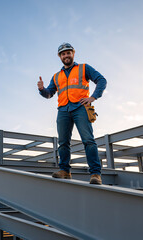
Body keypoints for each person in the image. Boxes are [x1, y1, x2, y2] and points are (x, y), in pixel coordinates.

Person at [38, 42, 107, 184]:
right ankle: (65, 171)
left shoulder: (84, 68)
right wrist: (42, 89)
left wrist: (93, 97)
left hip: (81, 108)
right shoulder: (56, 76)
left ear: (73, 53)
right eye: (63, 54)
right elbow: (49, 94)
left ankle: (95, 174)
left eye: (68, 52)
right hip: (63, 110)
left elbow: (101, 80)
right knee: (63, 143)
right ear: (60, 57)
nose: (66, 55)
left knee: (88, 140)